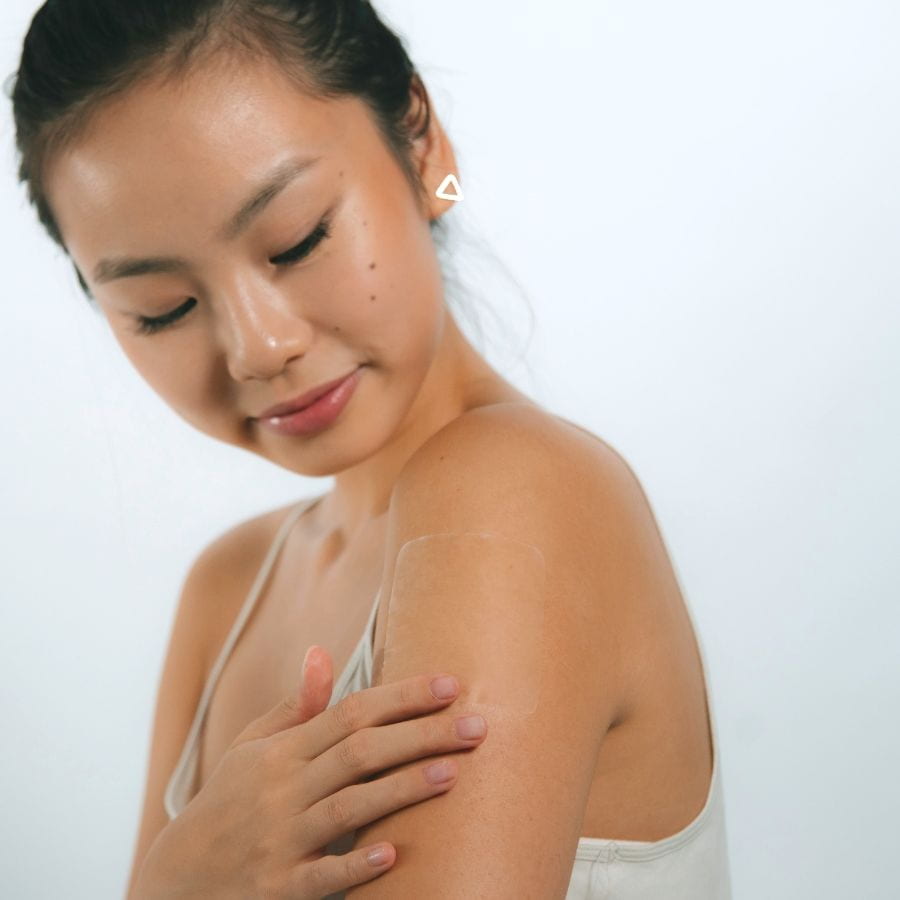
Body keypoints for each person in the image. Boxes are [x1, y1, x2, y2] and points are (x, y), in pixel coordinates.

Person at [9, 1, 732, 897]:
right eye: (162, 307)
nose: (258, 346)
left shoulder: (513, 492)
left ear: (426, 149)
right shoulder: (226, 592)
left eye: (297, 238)